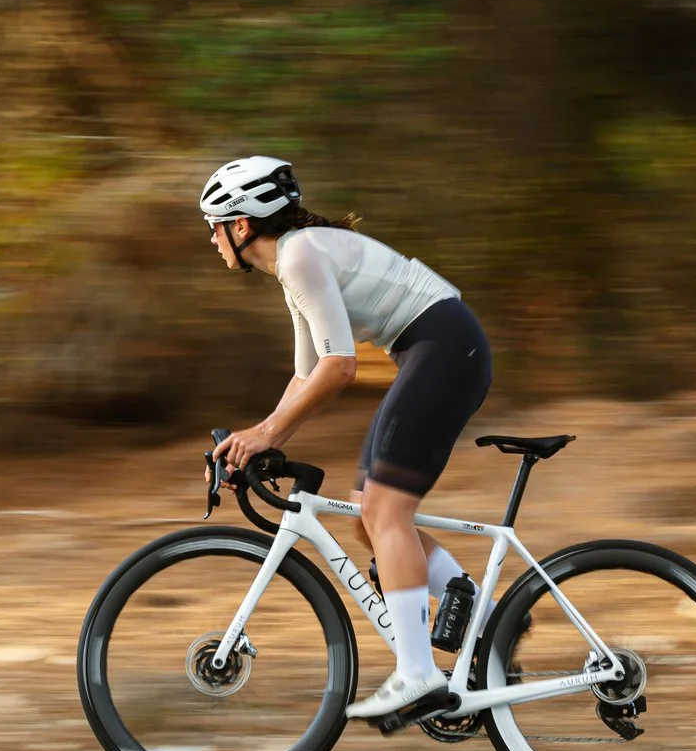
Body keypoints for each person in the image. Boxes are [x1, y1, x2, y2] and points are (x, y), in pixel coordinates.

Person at [200, 155, 493, 719]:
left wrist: (267, 434)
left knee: (385, 513)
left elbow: (340, 368)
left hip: (443, 348)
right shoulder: (297, 260)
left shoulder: (301, 253)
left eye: (214, 226)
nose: (211, 240)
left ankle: (417, 675)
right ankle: (489, 619)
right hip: (439, 350)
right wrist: (256, 436)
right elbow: (306, 374)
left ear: (241, 225)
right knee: (367, 515)